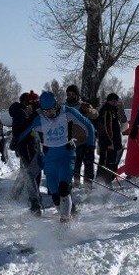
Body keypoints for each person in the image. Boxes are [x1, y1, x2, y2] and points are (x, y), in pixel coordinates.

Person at [11, 91, 95, 222]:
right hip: (49, 159)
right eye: (45, 111)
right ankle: (67, 214)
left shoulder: (67, 112)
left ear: (56, 105)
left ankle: (65, 221)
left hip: (66, 155)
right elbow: (24, 132)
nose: (49, 113)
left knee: (64, 188)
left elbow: (88, 126)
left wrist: (90, 147)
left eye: (51, 110)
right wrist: (16, 142)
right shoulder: (39, 118)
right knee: (55, 194)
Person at [9, 91, 44, 213]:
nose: (32, 106)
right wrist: (33, 117)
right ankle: (35, 203)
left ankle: (15, 196)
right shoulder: (20, 113)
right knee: (31, 174)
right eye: (32, 104)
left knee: (26, 173)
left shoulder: (24, 113)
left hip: (30, 146)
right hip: (27, 147)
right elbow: (21, 133)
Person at [64, 84, 100, 186]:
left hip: (86, 139)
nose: (70, 96)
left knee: (88, 164)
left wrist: (89, 110)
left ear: (77, 94)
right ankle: (76, 184)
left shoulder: (83, 105)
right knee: (75, 165)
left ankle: (88, 186)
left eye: (72, 94)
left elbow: (95, 114)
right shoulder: (64, 107)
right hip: (72, 141)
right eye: (68, 94)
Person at [95, 92, 127, 184]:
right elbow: (107, 127)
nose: (114, 102)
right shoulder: (107, 111)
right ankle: (102, 182)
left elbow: (123, 125)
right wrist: (110, 142)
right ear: (108, 101)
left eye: (115, 100)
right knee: (106, 163)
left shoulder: (114, 110)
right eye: (112, 100)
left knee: (112, 163)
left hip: (115, 142)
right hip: (108, 143)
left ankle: (107, 181)